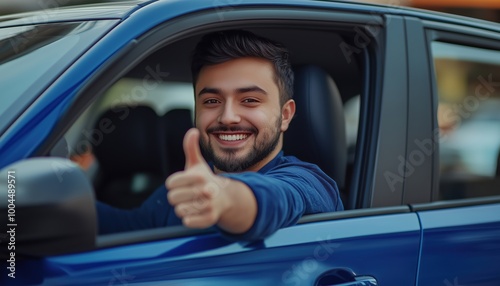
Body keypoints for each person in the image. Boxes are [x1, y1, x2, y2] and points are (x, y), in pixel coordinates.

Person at [96, 30, 344, 241]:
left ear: (286, 115)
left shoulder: (311, 184)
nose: (227, 117)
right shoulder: (183, 189)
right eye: (212, 101)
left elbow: (275, 200)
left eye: (249, 100)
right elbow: (123, 228)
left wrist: (224, 197)